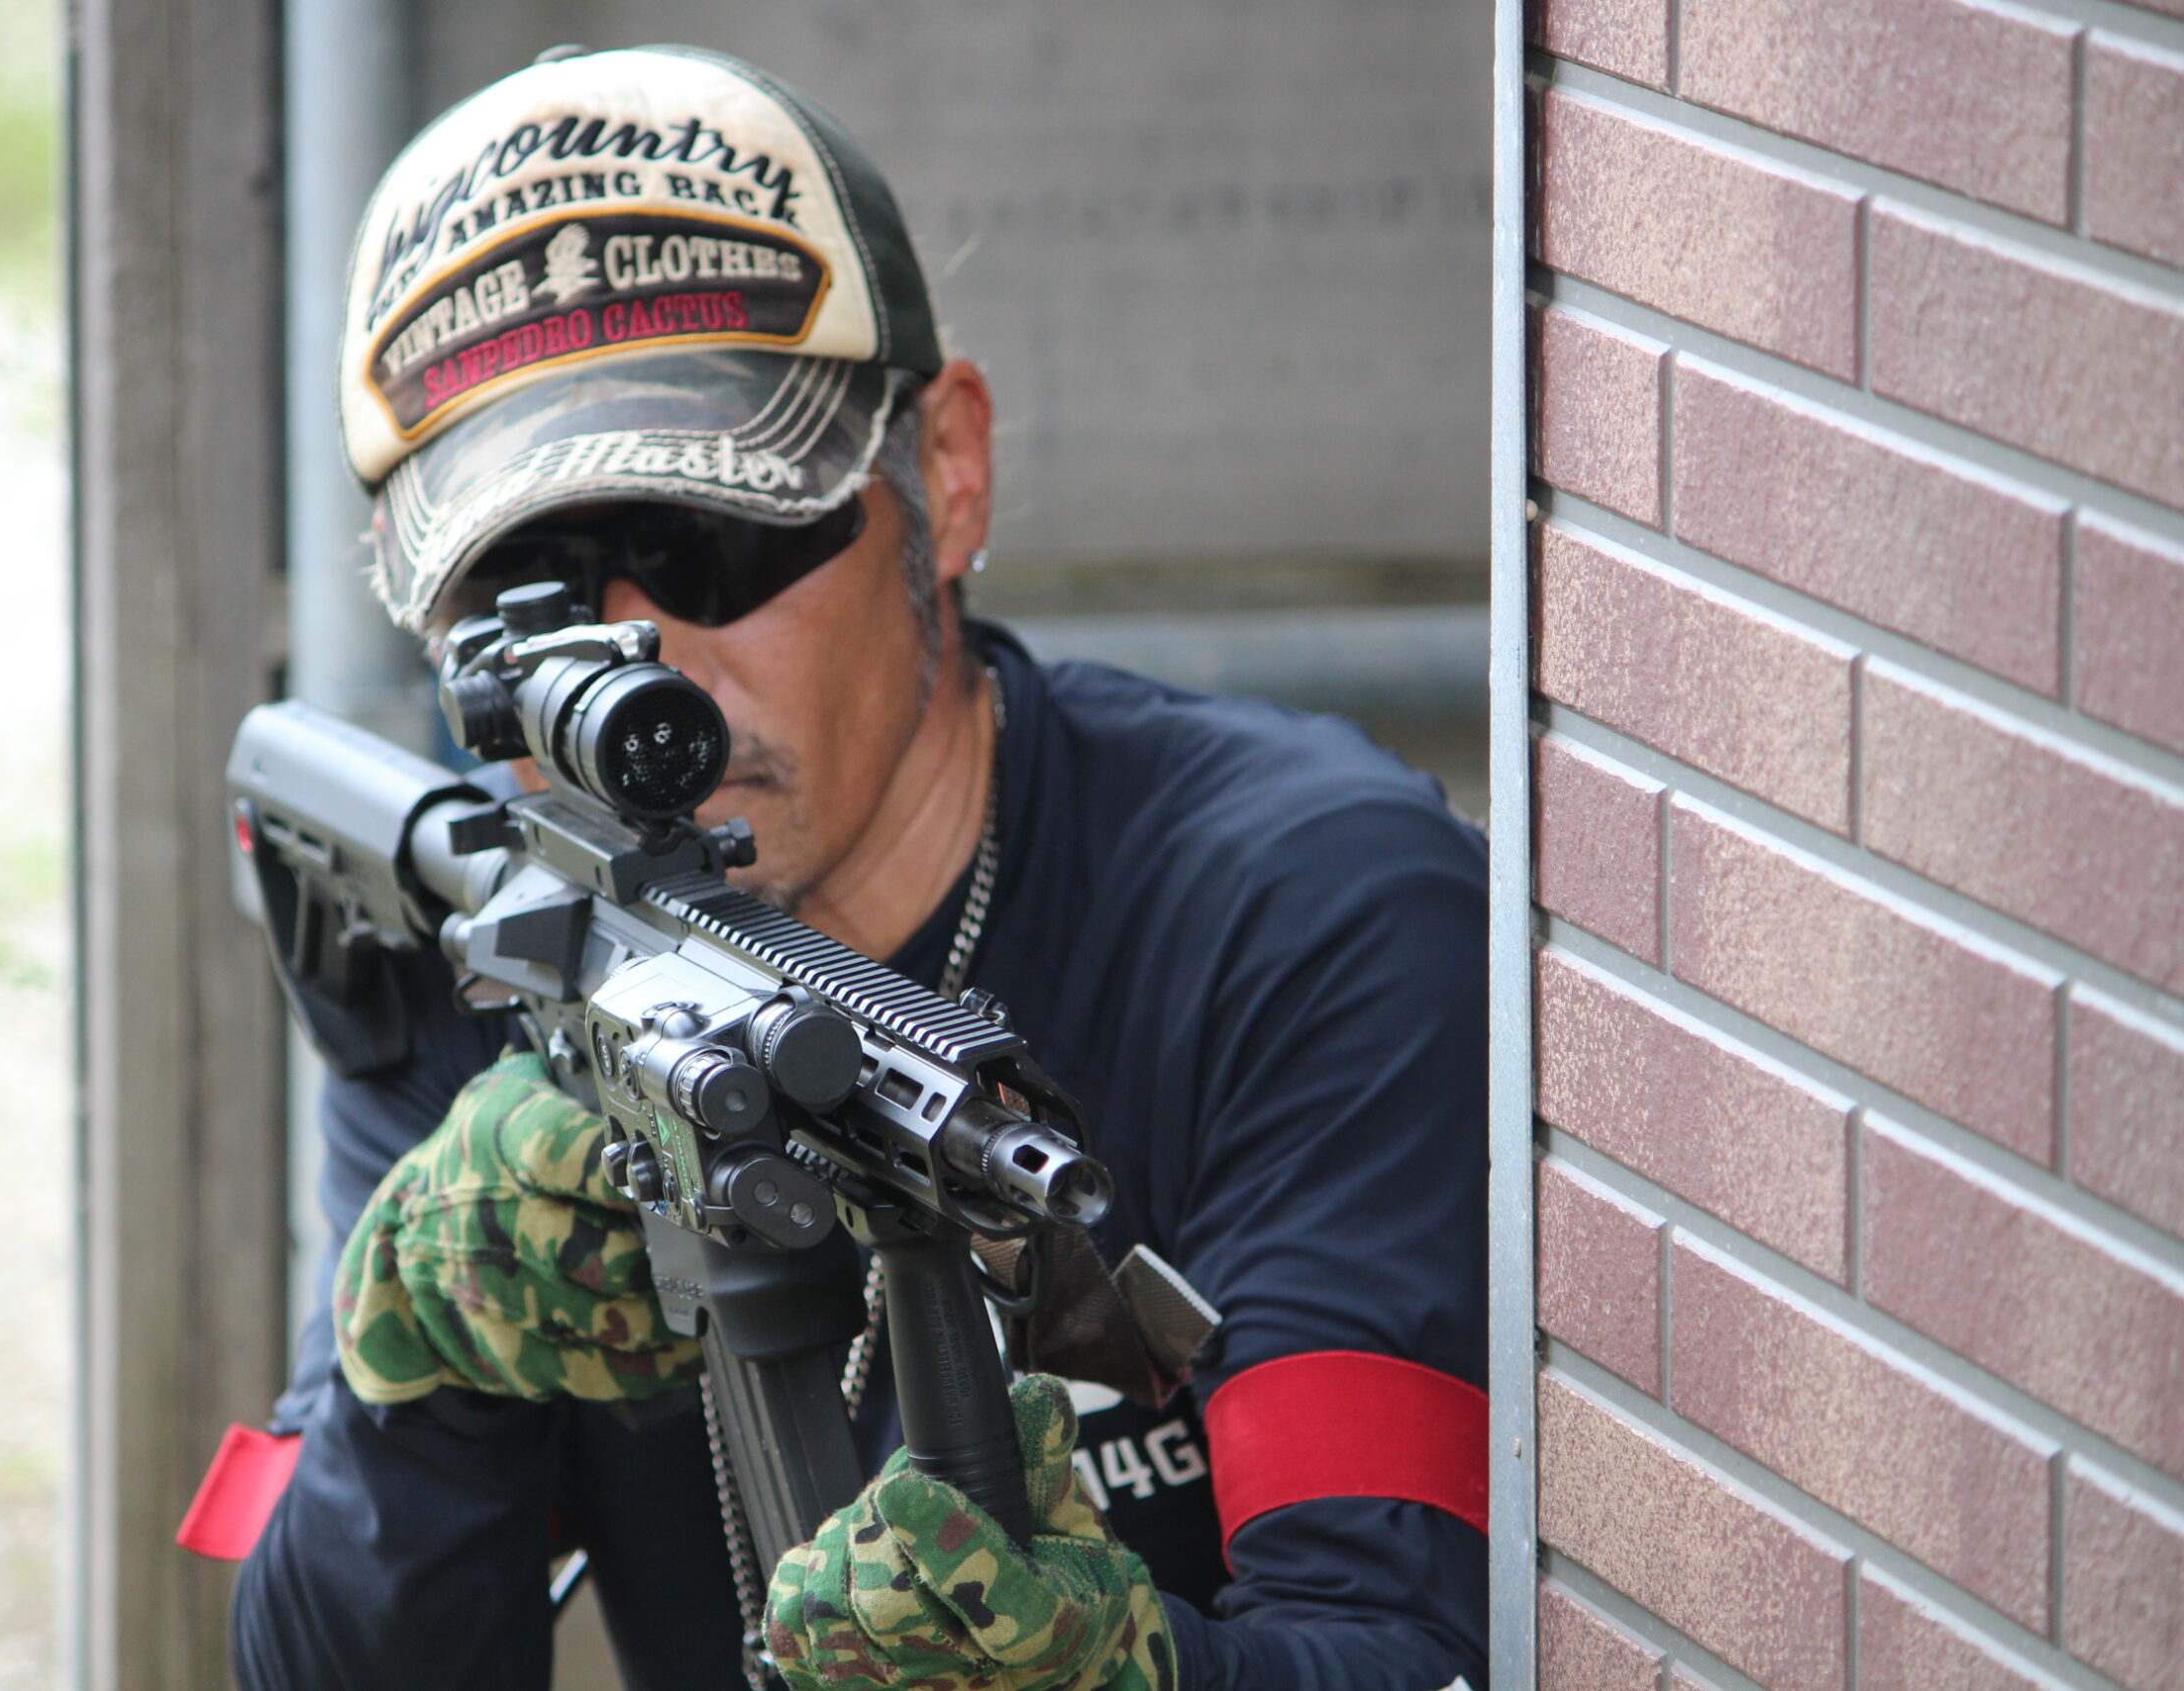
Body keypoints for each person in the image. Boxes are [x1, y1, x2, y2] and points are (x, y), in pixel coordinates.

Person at [222, 42, 1489, 1691]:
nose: (644, 661)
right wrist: (424, 1377)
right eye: (528, 586)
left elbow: (1411, 1650)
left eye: (713, 541)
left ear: (947, 473)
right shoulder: (490, 923)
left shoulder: (1303, 913)